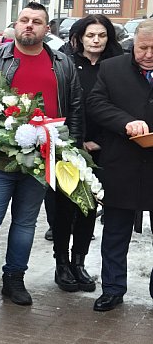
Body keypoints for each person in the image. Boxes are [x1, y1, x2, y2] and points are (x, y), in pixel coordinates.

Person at [0, 2, 83, 312]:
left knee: (25, 224)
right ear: (15, 24)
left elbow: (75, 107)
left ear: (46, 29)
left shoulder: (62, 63)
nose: (29, 25)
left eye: (36, 21)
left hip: (41, 159)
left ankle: (15, 278)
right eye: (24, 20)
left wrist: (70, 148)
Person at [52, 15, 123, 294]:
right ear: (79, 37)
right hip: (68, 146)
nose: (96, 41)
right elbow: (62, 105)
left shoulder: (116, 66)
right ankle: (61, 262)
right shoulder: (67, 65)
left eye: (102, 36)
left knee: (89, 206)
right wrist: (75, 141)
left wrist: (98, 142)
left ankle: (79, 261)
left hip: (105, 147)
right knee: (64, 207)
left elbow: (118, 107)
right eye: (90, 35)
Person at [87, 18, 153, 312]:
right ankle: (113, 288)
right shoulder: (112, 68)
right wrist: (125, 122)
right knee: (115, 232)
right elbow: (96, 104)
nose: (148, 54)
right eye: (143, 47)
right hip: (122, 164)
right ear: (133, 45)